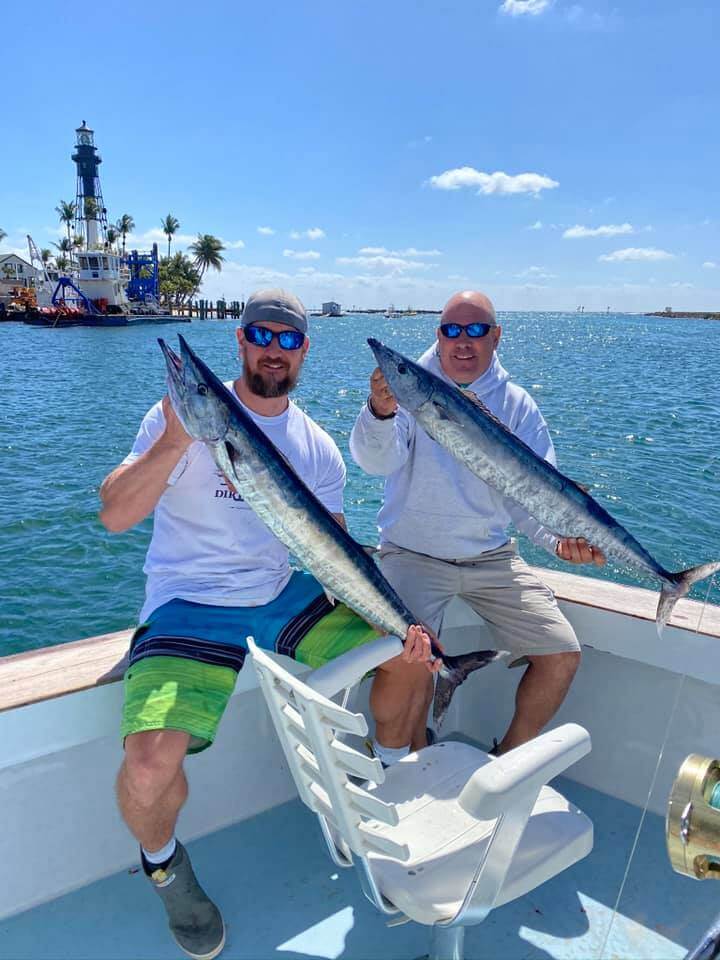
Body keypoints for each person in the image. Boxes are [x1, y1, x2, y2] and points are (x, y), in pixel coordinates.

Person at [99, 289, 434, 960]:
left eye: (288, 339)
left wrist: (400, 623)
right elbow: (113, 514)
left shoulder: (315, 447)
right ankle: (166, 868)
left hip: (281, 592)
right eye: (261, 335)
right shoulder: (174, 418)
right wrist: (174, 440)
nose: (273, 350)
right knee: (146, 763)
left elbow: (335, 550)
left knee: (409, 654)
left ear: (303, 350)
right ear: (241, 340)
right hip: (187, 602)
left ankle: (394, 786)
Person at [350, 289, 605, 758]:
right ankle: (414, 755)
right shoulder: (411, 388)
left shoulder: (518, 405)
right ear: (438, 336)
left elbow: (531, 496)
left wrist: (559, 541)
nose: (462, 342)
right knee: (411, 655)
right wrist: (380, 412)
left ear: (496, 337)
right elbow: (375, 462)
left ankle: (503, 762)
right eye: (451, 331)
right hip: (412, 553)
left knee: (562, 655)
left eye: (475, 331)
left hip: (492, 558)